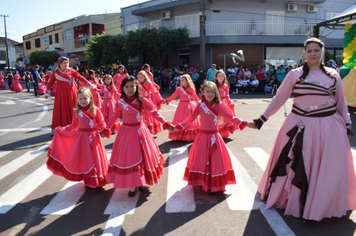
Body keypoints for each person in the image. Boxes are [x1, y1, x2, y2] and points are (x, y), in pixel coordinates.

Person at [252, 37, 356, 221]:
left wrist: (347, 124)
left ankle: (323, 204)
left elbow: (341, 102)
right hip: (300, 126)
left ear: (322, 52)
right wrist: (262, 118)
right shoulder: (295, 74)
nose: (313, 54)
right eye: (309, 51)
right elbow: (279, 98)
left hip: (329, 129)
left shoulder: (333, 75)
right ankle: (297, 201)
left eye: (317, 50)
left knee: (327, 169)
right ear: (304, 53)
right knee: (300, 165)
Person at [171, 81, 254, 192]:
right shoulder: (200, 106)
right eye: (207, 91)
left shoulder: (220, 105)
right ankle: (202, 181)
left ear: (216, 93)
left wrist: (246, 123)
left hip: (215, 137)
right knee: (201, 159)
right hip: (202, 137)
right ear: (203, 93)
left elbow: (231, 117)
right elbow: (190, 119)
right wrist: (176, 127)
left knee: (216, 161)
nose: (210, 94)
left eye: (212, 92)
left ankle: (214, 183)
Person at [103, 76, 174, 197]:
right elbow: (114, 117)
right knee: (130, 157)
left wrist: (165, 123)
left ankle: (141, 181)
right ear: (122, 89)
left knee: (143, 156)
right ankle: (132, 185)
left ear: (136, 87)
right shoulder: (120, 102)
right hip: (126, 132)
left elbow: (154, 112)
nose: (130, 89)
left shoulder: (142, 101)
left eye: (132, 86)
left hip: (140, 131)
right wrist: (106, 128)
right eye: (127, 87)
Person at [46, 87, 109, 191]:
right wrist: (62, 129)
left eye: (85, 98)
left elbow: (101, 123)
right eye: (80, 99)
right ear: (77, 100)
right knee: (85, 159)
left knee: (95, 158)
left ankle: (97, 181)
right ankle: (88, 182)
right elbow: (73, 126)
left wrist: (105, 130)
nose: (83, 101)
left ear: (90, 98)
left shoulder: (95, 110)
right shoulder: (76, 112)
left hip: (93, 137)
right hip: (81, 139)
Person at [44, 56, 95, 135]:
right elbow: (50, 82)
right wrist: (47, 92)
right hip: (60, 94)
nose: (67, 64)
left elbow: (79, 77)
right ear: (60, 63)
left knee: (73, 109)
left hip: (71, 93)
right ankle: (59, 128)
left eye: (67, 63)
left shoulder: (71, 70)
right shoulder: (55, 72)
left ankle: (74, 126)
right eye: (65, 63)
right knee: (60, 111)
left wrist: (89, 84)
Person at [163, 74, 200, 141]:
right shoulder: (179, 89)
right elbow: (173, 96)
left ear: (187, 81)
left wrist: (201, 104)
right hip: (181, 106)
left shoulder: (191, 89)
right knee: (180, 119)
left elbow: (195, 98)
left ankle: (188, 135)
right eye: (181, 80)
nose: (181, 82)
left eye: (183, 80)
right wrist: (167, 100)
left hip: (188, 106)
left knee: (188, 120)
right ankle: (180, 135)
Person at [137, 70, 164, 135]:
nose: (140, 79)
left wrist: (160, 98)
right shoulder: (136, 83)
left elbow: (155, 92)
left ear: (145, 77)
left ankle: (149, 130)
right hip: (139, 101)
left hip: (147, 101)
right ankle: (141, 130)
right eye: (139, 77)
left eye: (141, 77)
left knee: (149, 115)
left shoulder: (149, 83)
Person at [215, 70, 238, 138]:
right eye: (219, 76)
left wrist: (230, 103)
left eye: (222, 76)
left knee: (226, 117)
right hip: (218, 102)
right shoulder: (214, 86)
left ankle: (224, 133)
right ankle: (218, 132)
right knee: (219, 118)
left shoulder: (226, 85)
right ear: (216, 77)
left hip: (225, 103)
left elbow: (227, 95)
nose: (221, 77)